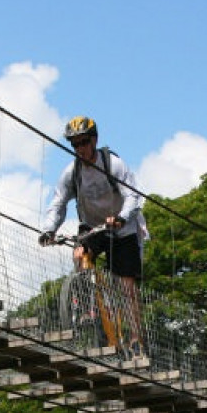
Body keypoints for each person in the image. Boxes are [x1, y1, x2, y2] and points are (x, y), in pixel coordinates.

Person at [39, 116, 147, 356]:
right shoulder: (72, 172)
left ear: (94, 140)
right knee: (79, 252)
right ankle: (86, 302)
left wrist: (121, 217)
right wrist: (49, 229)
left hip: (123, 227)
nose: (81, 149)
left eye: (84, 142)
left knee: (127, 287)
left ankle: (136, 339)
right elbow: (58, 203)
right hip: (93, 226)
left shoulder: (113, 164)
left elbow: (133, 196)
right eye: (75, 145)